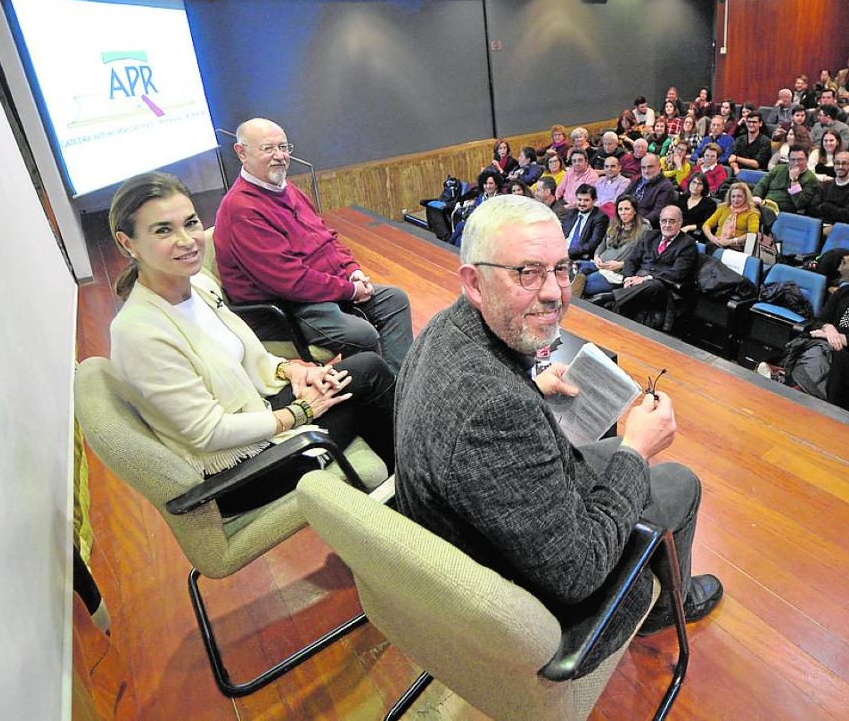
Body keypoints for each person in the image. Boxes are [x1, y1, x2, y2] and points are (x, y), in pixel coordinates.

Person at [394, 196, 722, 671]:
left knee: (606, 449)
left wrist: (529, 384)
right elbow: (578, 572)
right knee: (678, 482)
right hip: (542, 616)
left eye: (561, 270)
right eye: (527, 272)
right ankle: (666, 607)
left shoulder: (442, 331)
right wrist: (637, 448)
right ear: (475, 282)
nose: (554, 292)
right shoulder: (495, 412)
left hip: (474, 543)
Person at [109, 171, 395, 515]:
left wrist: (292, 370)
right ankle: (411, 496)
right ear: (128, 243)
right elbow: (209, 433)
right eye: (163, 230)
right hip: (237, 472)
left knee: (367, 369)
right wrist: (299, 412)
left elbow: (245, 355)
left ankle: (403, 492)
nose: (186, 240)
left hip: (258, 413)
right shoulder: (139, 333)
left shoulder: (197, 285)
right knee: (372, 396)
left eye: (191, 223)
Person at [213, 118, 413, 371]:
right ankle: (377, 398)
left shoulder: (287, 189)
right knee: (361, 335)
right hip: (288, 308)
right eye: (268, 149)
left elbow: (326, 236)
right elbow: (289, 281)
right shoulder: (242, 209)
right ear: (241, 153)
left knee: (394, 299)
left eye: (284, 148)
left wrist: (353, 271)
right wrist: (349, 291)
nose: (280, 156)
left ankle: (400, 387)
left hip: (318, 292)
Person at [766, 249, 849, 412]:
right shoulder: (844, 291)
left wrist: (840, 338)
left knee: (818, 352)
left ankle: (787, 385)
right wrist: (828, 328)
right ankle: (793, 390)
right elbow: (819, 320)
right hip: (826, 342)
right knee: (816, 350)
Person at [613, 205, 699, 331]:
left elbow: (677, 274)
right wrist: (628, 278)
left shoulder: (688, 244)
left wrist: (645, 278)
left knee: (653, 285)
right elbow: (631, 260)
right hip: (638, 281)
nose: (667, 225)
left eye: (672, 221)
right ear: (659, 222)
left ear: (680, 223)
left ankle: (609, 297)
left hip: (665, 287)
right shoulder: (649, 236)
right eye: (664, 221)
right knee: (633, 291)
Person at [573, 195, 649, 298]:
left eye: (627, 209)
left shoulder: (644, 228)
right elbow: (602, 245)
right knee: (571, 270)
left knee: (583, 283)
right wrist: (596, 257)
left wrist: (621, 264)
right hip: (599, 265)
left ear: (635, 210)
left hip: (616, 272)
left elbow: (644, 257)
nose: (623, 213)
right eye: (620, 209)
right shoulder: (614, 224)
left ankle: (571, 304)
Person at [753, 143, 819, 214]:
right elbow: (762, 184)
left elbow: (800, 203)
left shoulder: (811, 179)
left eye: (800, 160)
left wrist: (794, 181)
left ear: (807, 159)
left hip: (784, 212)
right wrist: (757, 196)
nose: (796, 163)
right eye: (793, 160)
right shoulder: (779, 168)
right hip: (765, 205)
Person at [811, 151, 849, 225]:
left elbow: (846, 215)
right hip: (819, 223)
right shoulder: (825, 185)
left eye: (844, 163)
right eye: (837, 163)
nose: (840, 167)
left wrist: (825, 205)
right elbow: (813, 208)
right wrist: (836, 209)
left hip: (840, 227)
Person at [703, 182, 760, 252]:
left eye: (739, 196)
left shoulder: (752, 213)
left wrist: (731, 241)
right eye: (733, 196)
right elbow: (706, 225)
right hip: (717, 243)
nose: (735, 200)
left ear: (746, 197)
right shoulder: (723, 207)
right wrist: (712, 238)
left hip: (736, 248)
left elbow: (752, 234)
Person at [560, 184, 607, 261]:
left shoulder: (600, 217)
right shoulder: (571, 213)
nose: (582, 203)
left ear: (594, 200)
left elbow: (593, 244)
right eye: (579, 199)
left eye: (586, 200)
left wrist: (568, 252)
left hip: (580, 257)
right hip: (561, 252)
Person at [626, 153, 677, 224]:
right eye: (643, 168)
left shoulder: (665, 186)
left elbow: (658, 212)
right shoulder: (637, 180)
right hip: (626, 216)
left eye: (650, 167)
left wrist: (637, 222)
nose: (646, 171)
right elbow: (623, 197)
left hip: (643, 223)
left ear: (659, 166)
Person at [675, 172, 716, 237]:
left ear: (704, 187)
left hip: (692, 235)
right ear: (689, 183)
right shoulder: (682, 197)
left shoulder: (710, 203)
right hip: (675, 229)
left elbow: (707, 224)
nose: (696, 186)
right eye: (694, 182)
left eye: (699, 184)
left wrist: (689, 227)